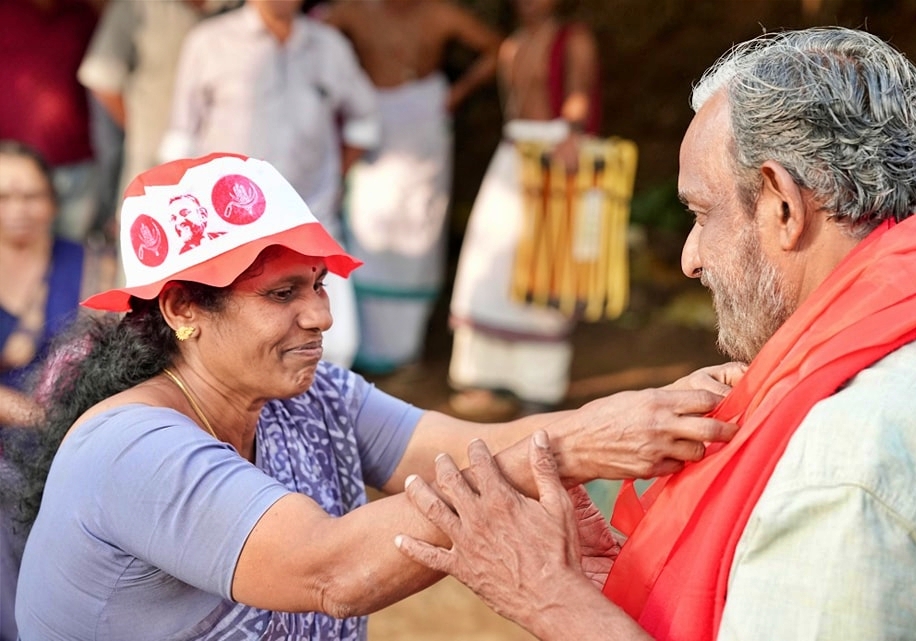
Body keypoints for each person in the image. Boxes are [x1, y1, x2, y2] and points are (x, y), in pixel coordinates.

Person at [6, 151, 742, 640]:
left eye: (319, 286)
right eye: (283, 293)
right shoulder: (131, 448)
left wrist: (653, 406)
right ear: (182, 310)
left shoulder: (305, 394)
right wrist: (573, 449)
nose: (322, 315)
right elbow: (327, 569)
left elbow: (465, 447)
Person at [396, 27, 916, 641]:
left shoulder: (840, 463)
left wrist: (547, 599)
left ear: (782, 208)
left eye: (701, 214)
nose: (691, 258)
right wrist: (615, 585)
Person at [159, 0, 378, 369]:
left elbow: (365, 122)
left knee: (332, 348)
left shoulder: (328, 47)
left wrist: (334, 177)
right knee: (228, 349)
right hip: (228, 234)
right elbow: (181, 138)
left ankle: (318, 424)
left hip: (312, 218)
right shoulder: (209, 41)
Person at [318, 0, 501, 374]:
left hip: (423, 123)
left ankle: (406, 353)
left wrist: (457, 92)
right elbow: (312, 37)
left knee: (420, 227)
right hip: (374, 120)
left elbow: (500, 48)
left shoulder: (440, 13)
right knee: (369, 223)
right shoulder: (352, 11)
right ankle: (361, 350)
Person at [446, 0, 601, 418]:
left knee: (544, 264)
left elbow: (579, 91)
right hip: (513, 153)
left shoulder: (574, 37)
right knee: (490, 263)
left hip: (555, 152)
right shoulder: (513, 43)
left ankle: (539, 384)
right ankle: (483, 377)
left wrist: (571, 135)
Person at [0, 140, 115, 641]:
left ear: (53, 200)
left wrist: (64, 421)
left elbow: (112, 357)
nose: (19, 210)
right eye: (3, 198)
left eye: (30, 196)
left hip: (74, 429)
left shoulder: (92, 264)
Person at [77, 0, 242, 240]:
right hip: (154, 168)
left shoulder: (243, 8)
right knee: (151, 250)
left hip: (226, 178)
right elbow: (102, 80)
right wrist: (140, 129)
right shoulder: (137, 7)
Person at [0, 0, 102, 243]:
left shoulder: (81, 14)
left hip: (75, 163)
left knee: (71, 248)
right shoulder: (6, 10)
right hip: (12, 167)